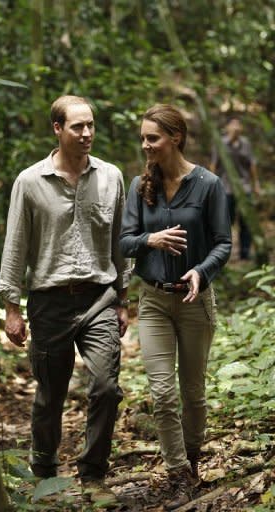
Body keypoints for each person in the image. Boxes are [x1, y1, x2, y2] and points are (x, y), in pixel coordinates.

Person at [0, 95, 131, 508]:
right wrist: (12, 307)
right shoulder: (30, 181)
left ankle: (93, 474)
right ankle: (45, 476)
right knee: (49, 395)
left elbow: (120, 243)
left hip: (99, 298)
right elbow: (16, 243)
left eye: (91, 125)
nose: (87, 133)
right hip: (49, 301)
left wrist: (124, 299)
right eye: (78, 127)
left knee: (106, 388)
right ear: (57, 128)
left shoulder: (111, 177)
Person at [119, 104, 232, 510]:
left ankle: (193, 459)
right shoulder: (139, 186)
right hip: (152, 300)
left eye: (153, 138)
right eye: (143, 138)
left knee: (193, 393)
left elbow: (223, 242)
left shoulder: (208, 184)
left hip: (194, 301)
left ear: (176, 137)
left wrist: (202, 271)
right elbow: (123, 240)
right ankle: (177, 472)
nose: (145, 145)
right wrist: (150, 241)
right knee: (162, 392)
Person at [210, 117, 261, 260]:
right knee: (225, 221)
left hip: (244, 188)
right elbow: (213, 164)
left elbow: (252, 165)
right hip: (225, 188)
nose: (236, 127)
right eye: (233, 124)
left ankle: (245, 253)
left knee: (246, 221)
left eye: (238, 124)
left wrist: (256, 184)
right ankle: (222, 252)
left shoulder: (246, 143)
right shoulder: (220, 143)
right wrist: (212, 186)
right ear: (226, 128)